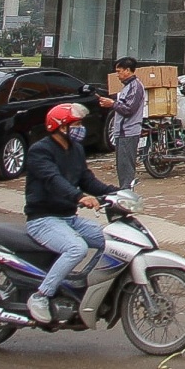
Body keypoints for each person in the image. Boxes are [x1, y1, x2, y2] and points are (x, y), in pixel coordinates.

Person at [22, 103, 115, 324]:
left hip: (68, 218)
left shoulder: (76, 149)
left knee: (111, 241)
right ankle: (41, 295)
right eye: (76, 124)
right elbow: (54, 180)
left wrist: (116, 193)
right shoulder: (40, 151)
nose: (80, 128)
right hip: (43, 219)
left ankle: (85, 286)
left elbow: (87, 179)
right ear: (60, 127)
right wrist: (79, 197)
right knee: (77, 248)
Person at [97, 57, 145, 189]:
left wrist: (112, 104)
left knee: (126, 167)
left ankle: (127, 195)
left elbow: (129, 109)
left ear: (128, 70)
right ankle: (125, 193)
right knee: (121, 166)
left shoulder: (135, 87)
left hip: (128, 133)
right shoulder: (126, 87)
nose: (117, 75)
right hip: (121, 132)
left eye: (119, 71)